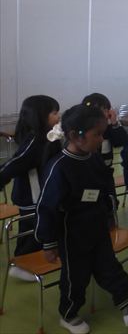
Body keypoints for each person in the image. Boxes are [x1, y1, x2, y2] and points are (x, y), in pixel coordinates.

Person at [35, 104, 128, 334]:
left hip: (98, 229)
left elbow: (105, 184)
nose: (102, 139)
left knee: (112, 270)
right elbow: (46, 208)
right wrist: (48, 243)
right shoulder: (59, 167)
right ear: (75, 136)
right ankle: (69, 315)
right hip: (72, 236)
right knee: (76, 278)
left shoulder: (93, 158)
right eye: (98, 134)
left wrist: (110, 210)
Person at [0, 95, 60, 280]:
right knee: (33, 232)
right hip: (32, 197)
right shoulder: (35, 141)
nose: (58, 116)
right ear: (40, 116)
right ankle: (21, 266)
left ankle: (27, 262)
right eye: (54, 113)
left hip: (40, 195)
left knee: (33, 230)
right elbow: (15, 164)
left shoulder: (47, 137)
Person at [81, 93, 127, 168]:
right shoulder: (85, 130)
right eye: (104, 109)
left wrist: (114, 123)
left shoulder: (108, 127)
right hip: (90, 167)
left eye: (107, 109)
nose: (107, 113)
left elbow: (120, 142)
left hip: (106, 166)